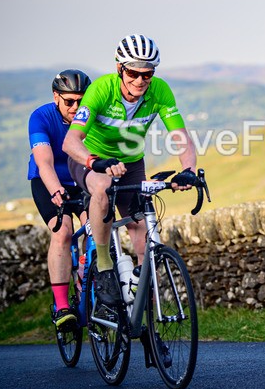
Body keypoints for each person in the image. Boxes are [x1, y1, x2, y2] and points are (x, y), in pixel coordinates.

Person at [63, 34, 197, 306]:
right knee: (101, 188)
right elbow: (70, 141)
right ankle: (103, 265)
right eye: (133, 73)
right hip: (90, 158)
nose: (139, 81)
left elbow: (180, 137)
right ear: (119, 69)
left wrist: (189, 170)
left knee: (140, 226)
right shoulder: (101, 90)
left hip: (131, 163)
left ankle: (143, 303)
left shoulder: (159, 91)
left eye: (146, 74)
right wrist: (94, 162)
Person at [28, 69, 92, 329]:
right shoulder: (40, 117)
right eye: (69, 101)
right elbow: (44, 163)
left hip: (81, 179)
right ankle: (62, 306)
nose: (76, 107)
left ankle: (87, 276)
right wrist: (56, 190)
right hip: (49, 181)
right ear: (56, 97)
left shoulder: (90, 116)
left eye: (81, 100)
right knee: (63, 231)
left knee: (95, 227)